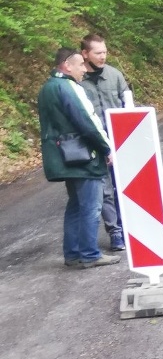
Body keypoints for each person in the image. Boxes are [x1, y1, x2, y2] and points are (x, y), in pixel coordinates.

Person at [38, 47, 121, 268]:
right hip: (83, 157)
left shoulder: (48, 87)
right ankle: (90, 254)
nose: (84, 70)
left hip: (64, 157)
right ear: (67, 65)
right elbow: (87, 121)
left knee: (75, 205)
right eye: (80, 65)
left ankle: (73, 253)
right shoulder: (69, 87)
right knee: (92, 206)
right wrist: (106, 148)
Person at [80, 33, 128, 250]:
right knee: (105, 189)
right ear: (85, 54)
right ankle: (115, 232)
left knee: (125, 185)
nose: (103, 56)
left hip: (121, 140)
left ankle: (131, 227)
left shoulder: (115, 75)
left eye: (105, 52)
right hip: (96, 144)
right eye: (98, 53)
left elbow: (128, 105)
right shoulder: (78, 82)